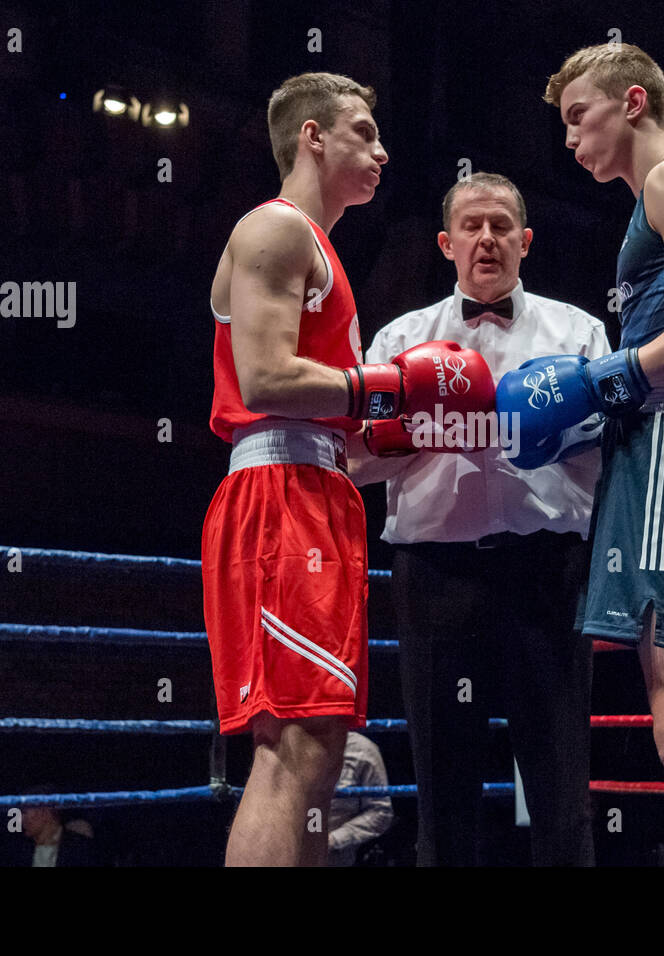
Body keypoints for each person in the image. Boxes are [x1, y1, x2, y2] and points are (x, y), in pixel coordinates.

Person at [202, 72, 494, 866]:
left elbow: (329, 435)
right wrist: (391, 384)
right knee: (292, 748)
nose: (382, 149)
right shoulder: (276, 230)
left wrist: (416, 436)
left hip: (317, 491)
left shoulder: (323, 251)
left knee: (319, 746)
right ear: (313, 137)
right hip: (277, 500)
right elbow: (264, 381)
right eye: (363, 131)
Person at [498, 42, 664, 867]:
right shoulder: (652, 200)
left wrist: (607, 379)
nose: (570, 139)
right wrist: (602, 395)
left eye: (580, 116)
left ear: (634, 102)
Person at [350, 172, 608, 866]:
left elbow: (613, 446)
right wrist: (431, 427)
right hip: (436, 578)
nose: (487, 238)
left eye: (501, 227)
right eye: (472, 226)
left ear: (525, 242)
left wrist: (550, 427)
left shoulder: (578, 331)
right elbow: (352, 460)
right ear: (446, 243)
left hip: (547, 573)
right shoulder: (401, 338)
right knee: (443, 784)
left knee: (560, 786)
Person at [326, 731, 395, 866]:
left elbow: (380, 812)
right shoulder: (288, 744)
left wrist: (334, 840)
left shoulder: (360, 750)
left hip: (334, 859)